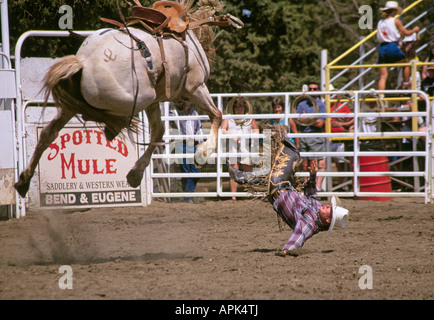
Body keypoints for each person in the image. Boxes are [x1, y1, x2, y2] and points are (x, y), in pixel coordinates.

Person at [228, 135, 349, 255]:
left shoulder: (309, 225)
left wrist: (287, 250)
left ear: (328, 220)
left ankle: (244, 177)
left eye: (330, 209)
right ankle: (246, 174)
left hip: (278, 190)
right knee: (290, 156)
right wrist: (312, 175)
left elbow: (298, 237)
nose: (327, 205)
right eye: (330, 206)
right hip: (286, 185)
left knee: (288, 159)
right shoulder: (318, 208)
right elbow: (311, 194)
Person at [376, 1, 420, 92]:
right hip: (391, 46)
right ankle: (405, 83)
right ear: (394, 11)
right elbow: (407, 33)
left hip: (381, 47)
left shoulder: (380, 22)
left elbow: (386, 34)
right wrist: (414, 30)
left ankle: (381, 95)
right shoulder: (395, 21)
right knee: (405, 63)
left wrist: (398, 36)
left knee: (383, 75)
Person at [221, 97, 259, 200]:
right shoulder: (229, 117)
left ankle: (252, 193)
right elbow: (223, 129)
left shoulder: (249, 118)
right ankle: (233, 196)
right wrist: (231, 135)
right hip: (233, 145)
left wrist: (255, 136)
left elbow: (256, 130)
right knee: (234, 169)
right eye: (237, 108)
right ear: (234, 108)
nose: (239, 110)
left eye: (241, 108)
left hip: (245, 145)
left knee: (248, 168)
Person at [169, 101, 203, 203]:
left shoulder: (194, 113)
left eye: (188, 101)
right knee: (186, 170)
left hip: (194, 144)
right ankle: (188, 197)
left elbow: (199, 128)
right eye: (184, 102)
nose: (186, 103)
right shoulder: (174, 112)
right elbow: (169, 119)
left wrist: (200, 141)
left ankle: (187, 196)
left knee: (196, 170)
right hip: (182, 143)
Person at [296, 83, 327, 192]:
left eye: (315, 89)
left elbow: (320, 124)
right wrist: (312, 119)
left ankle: (316, 187)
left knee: (316, 163)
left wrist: (306, 119)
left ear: (318, 90)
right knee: (305, 164)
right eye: (310, 89)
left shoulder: (321, 105)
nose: (312, 90)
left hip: (316, 136)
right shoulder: (301, 105)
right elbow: (298, 121)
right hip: (304, 136)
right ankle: (306, 186)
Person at [330, 87, 354, 190]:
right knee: (327, 163)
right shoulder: (327, 107)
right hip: (329, 138)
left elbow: (353, 118)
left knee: (341, 164)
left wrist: (343, 124)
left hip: (339, 139)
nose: (332, 97)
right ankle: (329, 185)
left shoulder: (342, 107)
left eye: (334, 95)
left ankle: (343, 185)